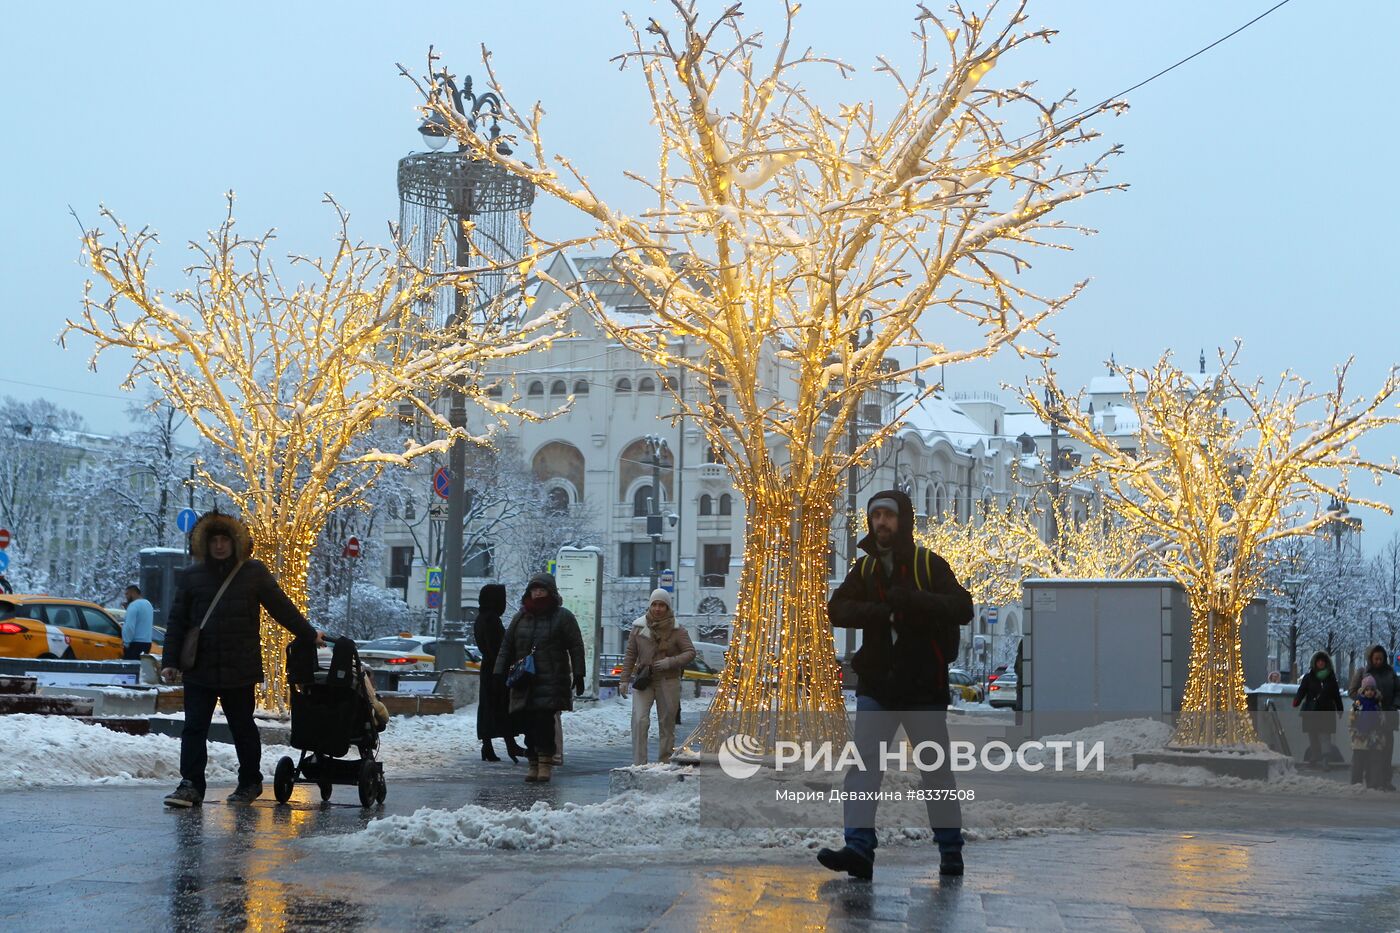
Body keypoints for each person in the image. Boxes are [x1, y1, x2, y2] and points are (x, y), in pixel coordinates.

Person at [818, 489, 973, 881]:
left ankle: (950, 849)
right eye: (875, 517)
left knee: (935, 770)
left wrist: (915, 601)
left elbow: (963, 607)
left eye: (888, 515)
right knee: (863, 768)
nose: (881, 523)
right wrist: (884, 611)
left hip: (922, 688)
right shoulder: (866, 569)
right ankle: (858, 849)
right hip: (878, 688)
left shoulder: (928, 563)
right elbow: (837, 609)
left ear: (903, 520)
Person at [160, 511, 321, 807]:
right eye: (214, 540)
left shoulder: (253, 572)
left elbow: (281, 607)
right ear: (205, 544)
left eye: (225, 540)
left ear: (236, 542)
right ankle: (190, 785)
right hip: (200, 667)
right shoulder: (192, 576)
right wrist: (169, 660)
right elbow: (177, 622)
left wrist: (309, 634)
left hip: (240, 667)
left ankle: (250, 781)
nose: (220, 546)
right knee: (194, 727)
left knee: (242, 727)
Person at [494, 572, 585, 783]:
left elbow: (576, 645)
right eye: (534, 589)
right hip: (525, 682)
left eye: (541, 589)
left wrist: (579, 672)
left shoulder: (563, 616)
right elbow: (507, 646)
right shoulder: (521, 617)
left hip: (551, 679)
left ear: (550, 592)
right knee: (527, 723)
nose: (537, 593)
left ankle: (545, 763)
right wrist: (499, 672)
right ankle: (533, 761)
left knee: (544, 723)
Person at [620, 588, 695, 766]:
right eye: (654, 604)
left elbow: (690, 652)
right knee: (639, 720)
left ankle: (665, 761)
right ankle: (639, 764)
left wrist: (671, 662)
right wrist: (624, 679)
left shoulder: (678, 629)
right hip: (644, 680)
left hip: (668, 680)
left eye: (662, 605)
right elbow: (630, 654)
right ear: (650, 606)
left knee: (667, 722)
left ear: (667, 607)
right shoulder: (638, 627)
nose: (657, 608)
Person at [472, 583, 525, 764]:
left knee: (488, 707)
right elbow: (499, 646)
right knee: (502, 707)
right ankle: (511, 745)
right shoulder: (491, 620)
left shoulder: (481, 618)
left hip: (488, 667)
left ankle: (488, 746)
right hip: (497, 669)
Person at [1349, 644, 1397, 791]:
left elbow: (1398, 691)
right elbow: (1352, 694)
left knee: (1386, 749)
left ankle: (1384, 780)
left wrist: (1394, 704)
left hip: (1386, 714)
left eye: (1381, 659)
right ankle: (1366, 781)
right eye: (1376, 659)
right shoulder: (1363, 672)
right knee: (1367, 753)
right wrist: (1364, 698)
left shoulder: (1390, 672)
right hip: (1365, 719)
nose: (1378, 661)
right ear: (1370, 658)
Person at [1292, 650, 1344, 769]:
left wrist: (1340, 708)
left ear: (1326, 663)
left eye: (1323, 661)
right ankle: (1315, 757)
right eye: (1318, 661)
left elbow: (1336, 694)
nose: (1320, 663)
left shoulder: (1331, 678)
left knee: (1325, 736)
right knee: (1313, 735)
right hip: (1312, 711)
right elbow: (1302, 690)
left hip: (1326, 710)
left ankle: (1325, 759)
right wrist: (1297, 700)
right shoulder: (1308, 677)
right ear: (1315, 663)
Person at [1350, 675, 1387, 789]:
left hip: (1374, 737)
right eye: (1367, 689)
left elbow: (1382, 718)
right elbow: (1352, 716)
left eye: (1372, 690)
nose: (1369, 692)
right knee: (1358, 762)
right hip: (1360, 736)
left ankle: (1373, 784)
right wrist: (1353, 729)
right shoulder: (1358, 702)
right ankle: (1356, 783)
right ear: (1363, 690)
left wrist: (1381, 730)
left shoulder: (1377, 704)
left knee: (1373, 761)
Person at [121, 584, 154, 660]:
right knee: (140, 669)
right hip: (147, 643)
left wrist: (126, 643)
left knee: (130, 669)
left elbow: (129, 627)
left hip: (134, 644)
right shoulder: (148, 604)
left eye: (127, 594)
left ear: (133, 593)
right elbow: (142, 621)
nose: (126, 597)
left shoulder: (133, 606)